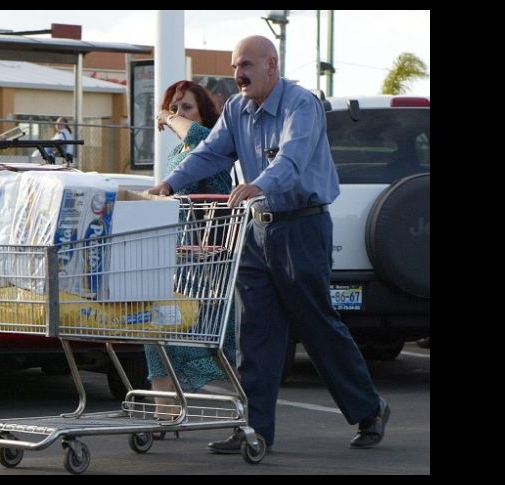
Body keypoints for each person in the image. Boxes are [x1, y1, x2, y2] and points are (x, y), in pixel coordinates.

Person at [148, 35, 389, 452]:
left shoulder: (301, 104)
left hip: (302, 227)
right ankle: (254, 431)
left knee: (315, 324)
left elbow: (291, 160)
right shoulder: (237, 109)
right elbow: (209, 152)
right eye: (234, 66)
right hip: (257, 229)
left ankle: (369, 410)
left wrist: (258, 184)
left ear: (271, 65)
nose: (238, 74)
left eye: (245, 65)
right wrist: (169, 183)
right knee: (255, 332)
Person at [145, 80, 235, 426]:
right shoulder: (177, 153)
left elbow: (198, 136)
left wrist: (165, 116)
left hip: (210, 262)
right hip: (183, 256)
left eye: (186, 107)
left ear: (202, 113)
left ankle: (250, 409)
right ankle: (163, 412)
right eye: (174, 107)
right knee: (155, 330)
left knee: (196, 335)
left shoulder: (211, 143)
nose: (178, 114)